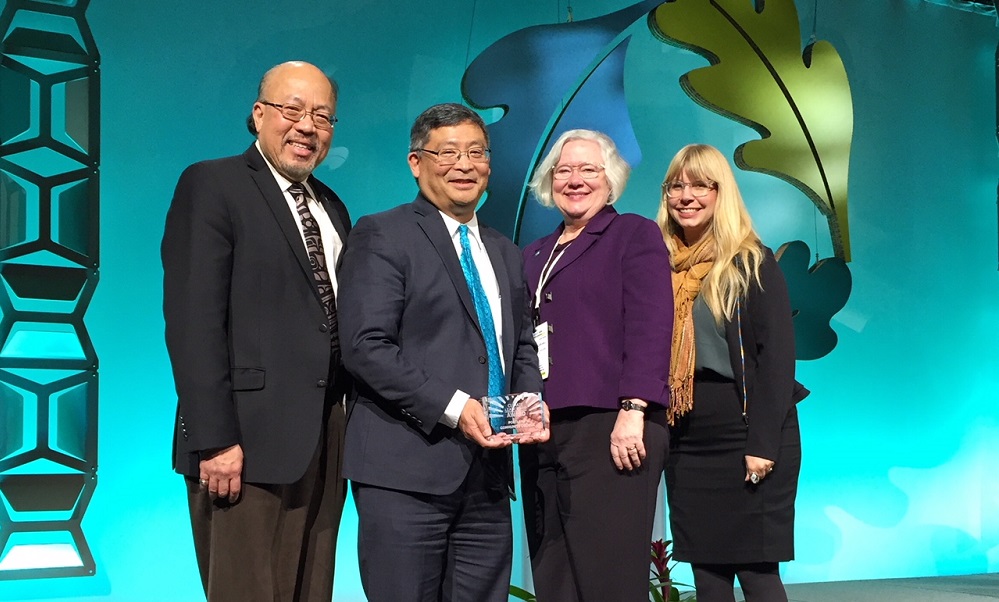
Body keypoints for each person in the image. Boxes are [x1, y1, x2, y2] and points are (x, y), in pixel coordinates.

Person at [336, 102, 548, 602]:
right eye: (447, 152)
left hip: (489, 478)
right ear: (416, 162)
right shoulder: (383, 233)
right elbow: (365, 347)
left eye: (476, 152)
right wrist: (455, 407)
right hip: (405, 472)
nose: (464, 164)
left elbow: (518, 343)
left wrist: (527, 402)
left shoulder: (503, 249)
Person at [162, 61, 350, 601]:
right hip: (242, 443)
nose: (307, 125)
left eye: (322, 115)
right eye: (292, 109)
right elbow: (192, 321)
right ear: (259, 114)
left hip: (324, 439)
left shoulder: (332, 206)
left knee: (310, 590)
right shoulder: (213, 183)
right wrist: (215, 439)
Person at [519, 129, 673, 602]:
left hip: (612, 422)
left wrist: (634, 410)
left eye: (589, 169)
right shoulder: (534, 253)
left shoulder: (632, 234)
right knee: (554, 575)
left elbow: (651, 324)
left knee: (607, 577)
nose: (575, 180)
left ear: (611, 179)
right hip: (543, 428)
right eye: (564, 170)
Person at [657, 144, 808, 602]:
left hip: (746, 431)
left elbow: (778, 362)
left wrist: (761, 445)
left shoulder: (751, 262)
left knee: (757, 570)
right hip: (685, 434)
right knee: (707, 571)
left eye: (701, 184)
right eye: (676, 185)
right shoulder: (656, 264)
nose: (687, 195)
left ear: (722, 193)